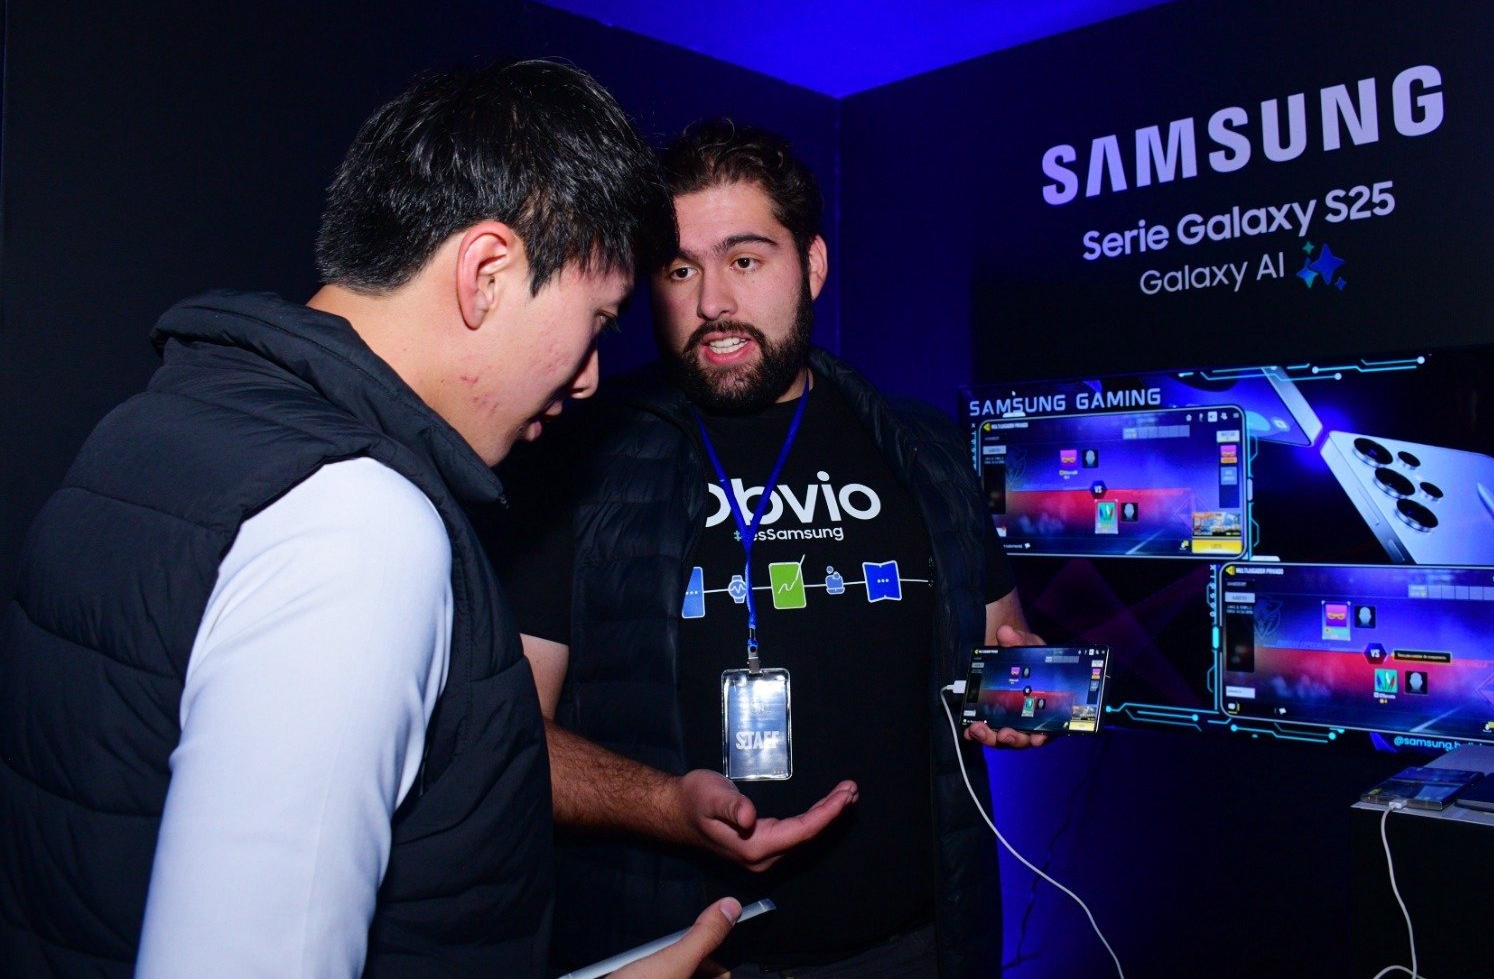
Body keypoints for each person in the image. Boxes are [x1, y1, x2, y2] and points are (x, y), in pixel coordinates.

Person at [0, 61, 737, 978]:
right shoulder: (357, 525)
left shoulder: (151, 427)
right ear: (487, 273)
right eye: (597, 319)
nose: (589, 376)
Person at [494, 120, 1042, 978]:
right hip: (681, 958)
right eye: (681, 269)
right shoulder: (578, 457)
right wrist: (665, 806)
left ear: (812, 265)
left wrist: (1024, 691)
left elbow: (1002, 643)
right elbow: (506, 737)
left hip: (915, 950)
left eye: (745, 259)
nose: (713, 301)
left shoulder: (924, 449)